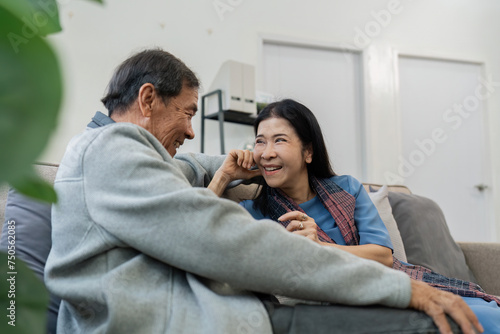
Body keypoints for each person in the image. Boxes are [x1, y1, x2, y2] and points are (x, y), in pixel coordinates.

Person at [44, 49, 482, 334]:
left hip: (200, 314)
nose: (192, 131)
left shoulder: (123, 155)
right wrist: (403, 290)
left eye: (281, 143)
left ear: (308, 151)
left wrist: (250, 165)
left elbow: (192, 168)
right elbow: (233, 244)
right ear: (147, 99)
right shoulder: (111, 151)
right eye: (186, 113)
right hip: (179, 321)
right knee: (422, 325)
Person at [240, 99, 500, 332]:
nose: (266, 152)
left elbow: (383, 255)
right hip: (356, 302)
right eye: (260, 141)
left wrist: (319, 247)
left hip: (397, 280)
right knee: (474, 322)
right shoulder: (251, 213)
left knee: (490, 312)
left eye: (280, 140)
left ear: (308, 152)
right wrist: (223, 176)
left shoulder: (347, 188)